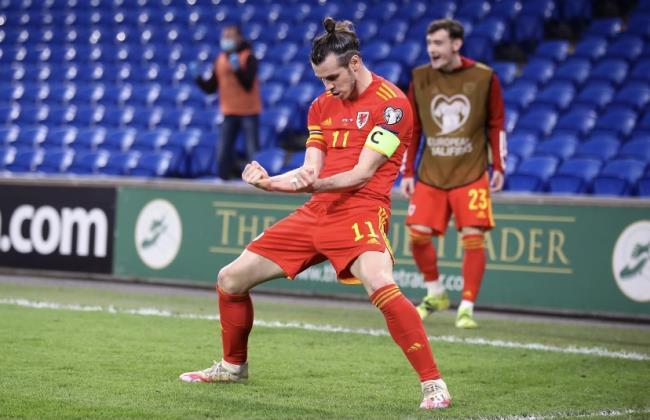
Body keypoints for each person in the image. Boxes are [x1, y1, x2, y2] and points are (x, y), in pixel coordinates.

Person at [180, 18, 451, 410]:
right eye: (321, 79)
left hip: (361, 209)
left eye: (332, 77)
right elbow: (310, 171)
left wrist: (309, 185)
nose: (327, 87)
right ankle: (232, 366)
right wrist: (270, 182)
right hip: (316, 212)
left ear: (355, 62)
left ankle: (433, 384)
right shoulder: (321, 106)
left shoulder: (393, 106)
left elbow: (361, 173)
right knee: (230, 279)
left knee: (379, 283)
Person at [401, 18, 506, 329]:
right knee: (417, 235)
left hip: (471, 171)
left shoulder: (485, 77)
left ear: (456, 45)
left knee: (473, 237)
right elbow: (413, 128)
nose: (432, 49)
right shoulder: (419, 77)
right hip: (431, 172)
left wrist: (498, 165)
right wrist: (407, 171)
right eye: (429, 43)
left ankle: (467, 307)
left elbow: (497, 123)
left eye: (438, 43)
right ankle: (436, 293)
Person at [191, 24, 262, 180]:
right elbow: (211, 87)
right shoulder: (220, 59)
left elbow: (248, 84)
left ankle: (258, 184)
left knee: (253, 153)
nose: (226, 40)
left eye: (230, 36)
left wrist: (237, 69)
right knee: (223, 152)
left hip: (249, 112)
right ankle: (223, 181)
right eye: (225, 36)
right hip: (229, 112)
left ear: (239, 38)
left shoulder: (248, 57)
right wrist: (198, 78)